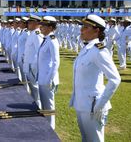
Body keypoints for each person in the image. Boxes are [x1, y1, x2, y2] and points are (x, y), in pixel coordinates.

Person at [70, 14, 121, 142]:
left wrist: (100, 105)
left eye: (86, 27)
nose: (81, 30)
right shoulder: (87, 48)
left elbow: (115, 79)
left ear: (96, 30)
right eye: (82, 26)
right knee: (86, 138)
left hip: (93, 106)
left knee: (95, 140)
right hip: (82, 104)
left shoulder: (99, 51)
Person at [37, 16, 60, 130]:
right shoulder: (46, 39)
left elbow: (56, 62)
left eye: (44, 25)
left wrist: (50, 79)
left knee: (49, 105)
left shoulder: (52, 40)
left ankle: (51, 129)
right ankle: (46, 126)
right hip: (42, 77)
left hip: (47, 79)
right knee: (45, 105)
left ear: (50, 27)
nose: (41, 27)